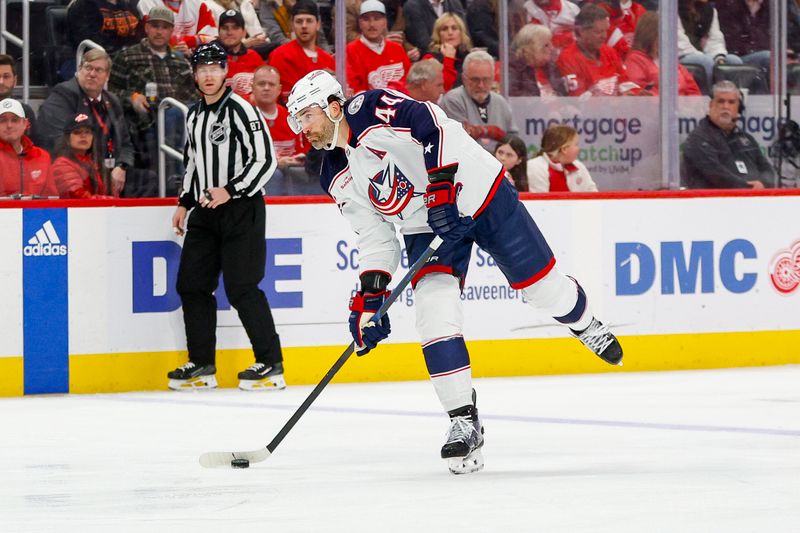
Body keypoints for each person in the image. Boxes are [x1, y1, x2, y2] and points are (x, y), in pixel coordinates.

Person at [286, 70, 623, 474]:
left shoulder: (369, 108)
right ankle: (464, 421)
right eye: (297, 119)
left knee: (541, 290)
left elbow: (432, 122)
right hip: (425, 226)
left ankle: (585, 324)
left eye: (307, 115)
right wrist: (369, 299)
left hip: (480, 192)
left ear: (334, 106)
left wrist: (442, 188)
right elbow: (375, 239)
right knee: (433, 312)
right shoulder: (333, 173)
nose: (302, 127)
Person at [167, 42, 285, 392]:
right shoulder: (194, 114)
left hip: (241, 208)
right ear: (195, 74)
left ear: (225, 72)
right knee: (191, 284)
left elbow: (266, 161)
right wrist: (184, 203)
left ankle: (270, 362)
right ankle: (202, 363)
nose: (208, 75)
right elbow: (193, 163)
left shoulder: (242, 110)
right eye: (202, 69)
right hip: (204, 210)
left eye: (214, 68)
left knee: (242, 287)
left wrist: (230, 190)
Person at [107, 6, 195, 184]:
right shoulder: (127, 56)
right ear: (146, 28)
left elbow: (193, 96)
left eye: (164, 27)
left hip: (181, 123)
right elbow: (110, 92)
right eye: (155, 26)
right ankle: (174, 177)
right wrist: (132, 97)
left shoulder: (181, 61)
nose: (159, 31)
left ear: (171, 30)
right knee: (171, 115)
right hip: (144, 123)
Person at [35, 49, 136, 197]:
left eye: (99, 70)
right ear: (79, 69)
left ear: (107, 76)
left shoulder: (112, 101)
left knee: (148, 180)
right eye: (88, 68)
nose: (92, 74)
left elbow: (126, 144)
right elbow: (57, 141)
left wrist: (122, 166)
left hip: (110, 169)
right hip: (78, 167)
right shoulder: (63, 94)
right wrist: (96, 169)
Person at [681, 80, 774, 189]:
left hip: (753, 199)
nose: (726, 106)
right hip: (715, 202)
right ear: (711, 105)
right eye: (721, 101)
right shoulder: (698, 138)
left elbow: (767, 170)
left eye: (731, 102)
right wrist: (748, 187)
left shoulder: (746, 139)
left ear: (738, 107)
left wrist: (763, 184)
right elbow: (715, 174)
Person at [556, 4, 646, 96]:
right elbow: (579, 99)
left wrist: (637, 93)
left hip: (617, 108)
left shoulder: (609, 51)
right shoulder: (567, 58)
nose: (604, 36)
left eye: (605, 31)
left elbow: (624, 82)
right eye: (598, 32)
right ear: (581, 31)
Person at [439, 50, 518, 152]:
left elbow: (515, 140)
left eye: (486, 79)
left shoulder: (500, 102)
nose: (481, 85)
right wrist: (490, 132)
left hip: (500, 164)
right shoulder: (453, 100)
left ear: (493, 78)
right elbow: (460, 140)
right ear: (464, 78)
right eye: (475, 80)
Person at [251, 65, 312, 195]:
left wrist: (296, 160)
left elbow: (302, 151)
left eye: (271, 84)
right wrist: (275, 162)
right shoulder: (243, 116)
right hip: (259, 179)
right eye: (261, 84)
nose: (266, 88)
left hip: (290, 174)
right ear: (252, 87)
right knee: (275, 175)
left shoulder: (291, 117)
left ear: (279, 89)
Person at [268, 0, 335, 103]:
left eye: (309, 21)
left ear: (318, 24)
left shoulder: (328, 60)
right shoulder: (280, 55)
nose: (304, 26)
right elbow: (288, 98)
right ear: (292, 25)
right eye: (299, 21)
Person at [623, 11, 702, 96]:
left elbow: (693, 90)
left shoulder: (669, 59)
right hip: (657, 108)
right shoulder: (635, 60)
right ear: (649, 36)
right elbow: (642, 94)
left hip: (683, 107)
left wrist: (692, 106)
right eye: (662, 35)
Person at [346, 0, 411, 94]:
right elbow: (354, 91)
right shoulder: (350, 51)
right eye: (366, 19)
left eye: (377, 19)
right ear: (360, 23)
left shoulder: (397, 49)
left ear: (385, 22)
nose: (372, 24)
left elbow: (409, 82)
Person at [678, 0, 743, 86]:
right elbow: (680, 43)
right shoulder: (672, 8)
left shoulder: (709, 10)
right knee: (706, 61)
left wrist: (719, 56)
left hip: (701, 54)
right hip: (680, 56)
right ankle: (710, 96)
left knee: (733, 61)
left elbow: (715, 39)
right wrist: (702, 56)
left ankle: (732, 96)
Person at [50, 113, 115, 199]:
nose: (83, 136)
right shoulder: (61, 164)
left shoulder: (94, 162)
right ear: (67, 138)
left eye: (88, 132)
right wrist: (111, 201)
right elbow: (77, 196)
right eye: (77, 132)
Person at [0, 99, 55, 198]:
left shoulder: (42, 157)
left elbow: (51, 198)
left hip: (35, 213)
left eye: (15, 120)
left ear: (25, 124)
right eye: (2, 120)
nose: (9, 125)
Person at [527, 125, 598, 192]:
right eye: (576, 144)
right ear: (564, 149)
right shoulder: (535, 166)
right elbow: (539, 201)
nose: (579, 149)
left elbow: (593, 194)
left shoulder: (578, 166)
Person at [215, 9, 266, 96]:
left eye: (235, 28)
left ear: (244, 32)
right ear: (218, 32)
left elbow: (266, 87)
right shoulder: (211, 58)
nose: (230, 32)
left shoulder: (254, 57)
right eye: (225, 28)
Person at [715, 0, 771, 78]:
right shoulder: (729, 6)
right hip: (738, 55)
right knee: (768, 57)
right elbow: (732, 40)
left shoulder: (770, 6)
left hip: (759, 52)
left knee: (778, 58)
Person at [508, 24, 568, 97]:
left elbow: (563, 94)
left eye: (551, 43)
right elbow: (513, 98)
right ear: (529, 49)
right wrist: (540, 100)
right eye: (546, 45)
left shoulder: (551, 67)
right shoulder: (513, 69)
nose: (552, 48)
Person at [67, 0, 143, 56]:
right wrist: (124, 56)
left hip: (126, 56)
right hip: (90, 60)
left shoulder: (127, 5)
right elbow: (91, 44)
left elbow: (137, 36)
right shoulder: (83, 5)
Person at [422, 13, 473, 91]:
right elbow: (442, 89)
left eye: (454, 28)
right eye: (445, 29)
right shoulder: (429, 59)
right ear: (438, 35)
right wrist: (449, 59)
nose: (450, 33)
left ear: (461, 32)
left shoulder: (468, 57)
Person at [401, 0, 466, 56]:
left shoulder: (454, 3)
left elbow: (465, 34)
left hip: (459, 56)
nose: (450, 32)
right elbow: (423, 44)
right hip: (431, 60)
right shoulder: (412, 6)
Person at [0, 55, 36, 129]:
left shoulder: (25, 111)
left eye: (6, 77)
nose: (1, 82)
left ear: (15, 80)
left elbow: (36, 140)